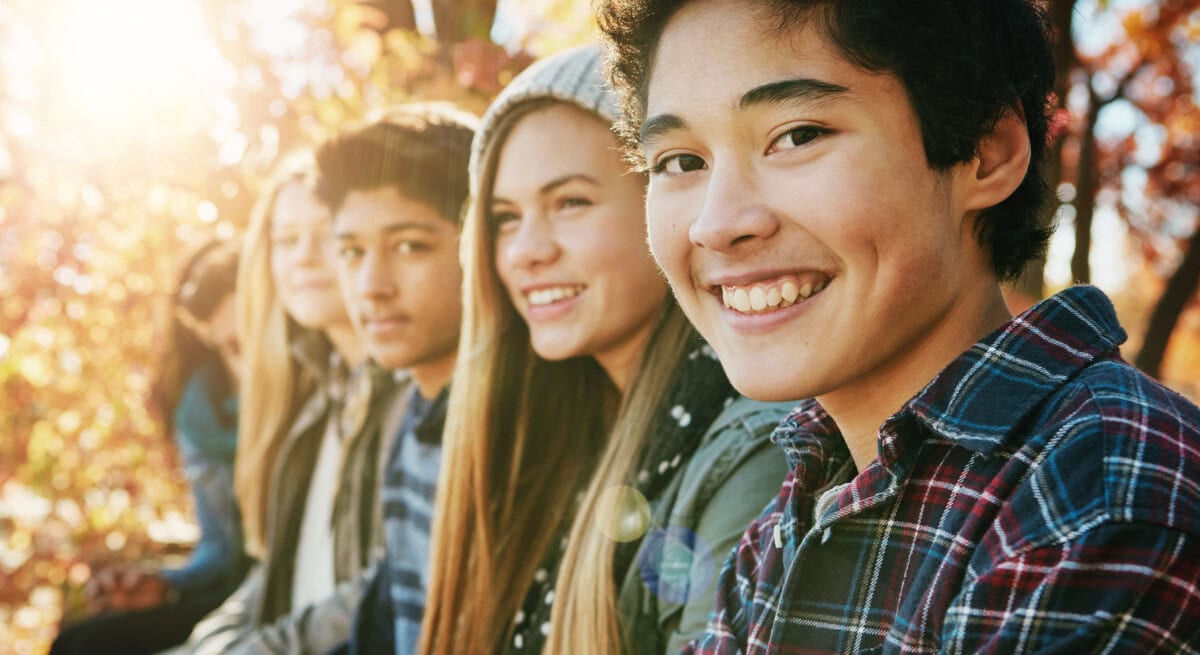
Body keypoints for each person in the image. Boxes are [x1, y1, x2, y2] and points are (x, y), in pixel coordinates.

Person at [595, 0, 1200, 652]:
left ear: (985, 154)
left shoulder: (1103, 486)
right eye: (680, 162)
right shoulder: (808, 489)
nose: (717, 223)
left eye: (797, 136)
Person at [419, 45, 792, 655]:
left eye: (570, 203)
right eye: (505, 217)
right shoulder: (551, 438)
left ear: (668, 204)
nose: (525, 251)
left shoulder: (750, 453)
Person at [176, 151, 400, 654]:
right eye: (286, 240)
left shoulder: (409, 398)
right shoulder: (318, 405)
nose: (303, 257)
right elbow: (277, 570)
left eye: (325, 233)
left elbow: (391, 587)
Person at [312, 103, 475, 655]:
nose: (371, 284)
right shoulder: (415, 411)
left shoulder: (510, 428)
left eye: (409, 246)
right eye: (352, 252)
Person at [52, 239, 248, 655]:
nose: (250, 364)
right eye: (234, 347)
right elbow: (218, 547)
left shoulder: (296, 403)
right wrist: (164, 585)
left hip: (269, 593)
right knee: (79, 642)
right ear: (205, 334)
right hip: (227, 590)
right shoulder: (199, 415)